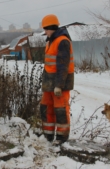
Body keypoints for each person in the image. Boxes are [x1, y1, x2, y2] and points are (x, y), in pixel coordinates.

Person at [39, 14, 74, 145]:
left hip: (60, 83)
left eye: (46, 29)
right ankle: (47, 136)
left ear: (52, 28)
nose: (45, 32)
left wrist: (59, 85)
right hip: (49, 82)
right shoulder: (50, 40)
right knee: (46, 107)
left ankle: (62, 138)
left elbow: (63, 65)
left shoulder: (62, 41)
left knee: (60, 109)